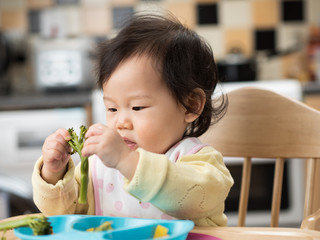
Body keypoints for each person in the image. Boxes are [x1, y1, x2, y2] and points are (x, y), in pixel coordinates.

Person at [32, 13, 234, 227]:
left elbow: (189, 198)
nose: (121, 122)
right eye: (112, 108)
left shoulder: (201, 163)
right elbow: (65, 214)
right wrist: (53, 173)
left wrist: (126, 161)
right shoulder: (99, 168)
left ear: (191, 104)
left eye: (137, 107)